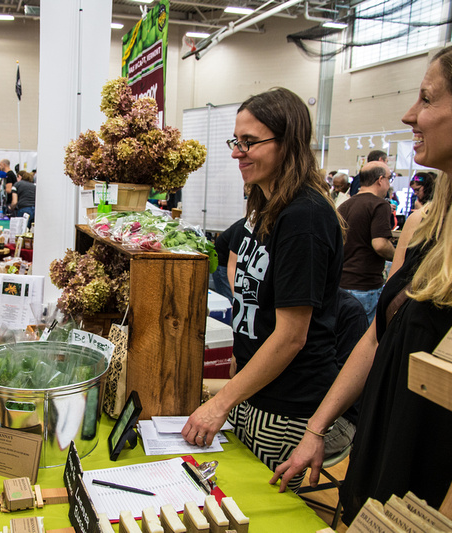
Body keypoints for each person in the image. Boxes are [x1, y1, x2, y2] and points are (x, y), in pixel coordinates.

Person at [270, 34, 452, 524]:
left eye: (427, 98)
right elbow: (378, 337)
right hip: (384, 448)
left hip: (449, 479)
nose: (410, 115)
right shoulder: (427, 227)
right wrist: (317, 429)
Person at [182, 87, 344, 491]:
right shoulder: (264, 209)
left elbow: (290, 337)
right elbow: (256, 319)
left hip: (287, 410)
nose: (238, 152)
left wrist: (220, 403)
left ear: (287, 142)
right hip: (253, 398)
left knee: (260, 510)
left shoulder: (304, 217)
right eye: (236, 141)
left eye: (250, 142)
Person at [337, 161, 395, 325]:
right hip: (364, 286)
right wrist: (399, 256)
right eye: (390, 179)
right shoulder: (379, 205)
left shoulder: (345, 205)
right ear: (380, 180)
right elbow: (380, 244)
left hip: (341, 283)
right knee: (363, 339)